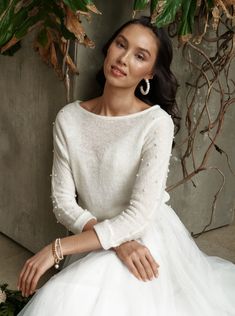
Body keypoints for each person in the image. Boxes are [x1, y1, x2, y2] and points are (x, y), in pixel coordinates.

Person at [17, 16, 235, 315]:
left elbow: (139, 215)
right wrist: (116, 243)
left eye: (140, 55)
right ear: (108, 49)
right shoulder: (69, 117)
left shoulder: (156, 123)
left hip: (144, 236)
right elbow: (63, 202)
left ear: (149, 73)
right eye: (121, 45)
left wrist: (58, 248)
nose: (123, 58)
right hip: (102, 237)